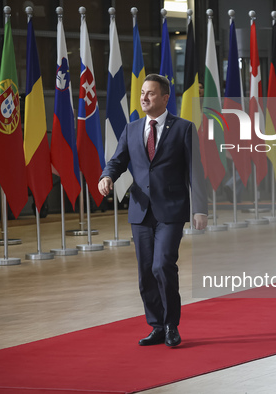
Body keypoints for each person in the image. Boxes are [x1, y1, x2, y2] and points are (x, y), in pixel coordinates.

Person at [98, 74, 208, 347]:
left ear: (165, 98)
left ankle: (172, 325)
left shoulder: (183, 128)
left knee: (162, 265)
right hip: (140, 210)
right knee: (146, 272)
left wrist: (200, 209)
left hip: (171, 210)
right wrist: (107, 176)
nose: (144, 98)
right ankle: (157, 326)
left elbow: (196, 171)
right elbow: (117, 160)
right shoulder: (131, 129)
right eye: (142, 93)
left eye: (150, 93)